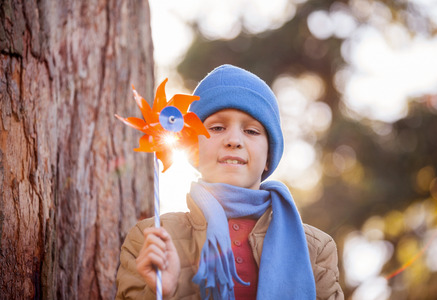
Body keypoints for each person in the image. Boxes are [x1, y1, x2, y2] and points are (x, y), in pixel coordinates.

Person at [115, 64, 344, 299]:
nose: (233, 140)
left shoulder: (315, 248)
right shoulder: (151, 239)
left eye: (252, 131)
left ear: (269, 156)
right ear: (193, 148)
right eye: (217, 127)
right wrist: (163, 291)